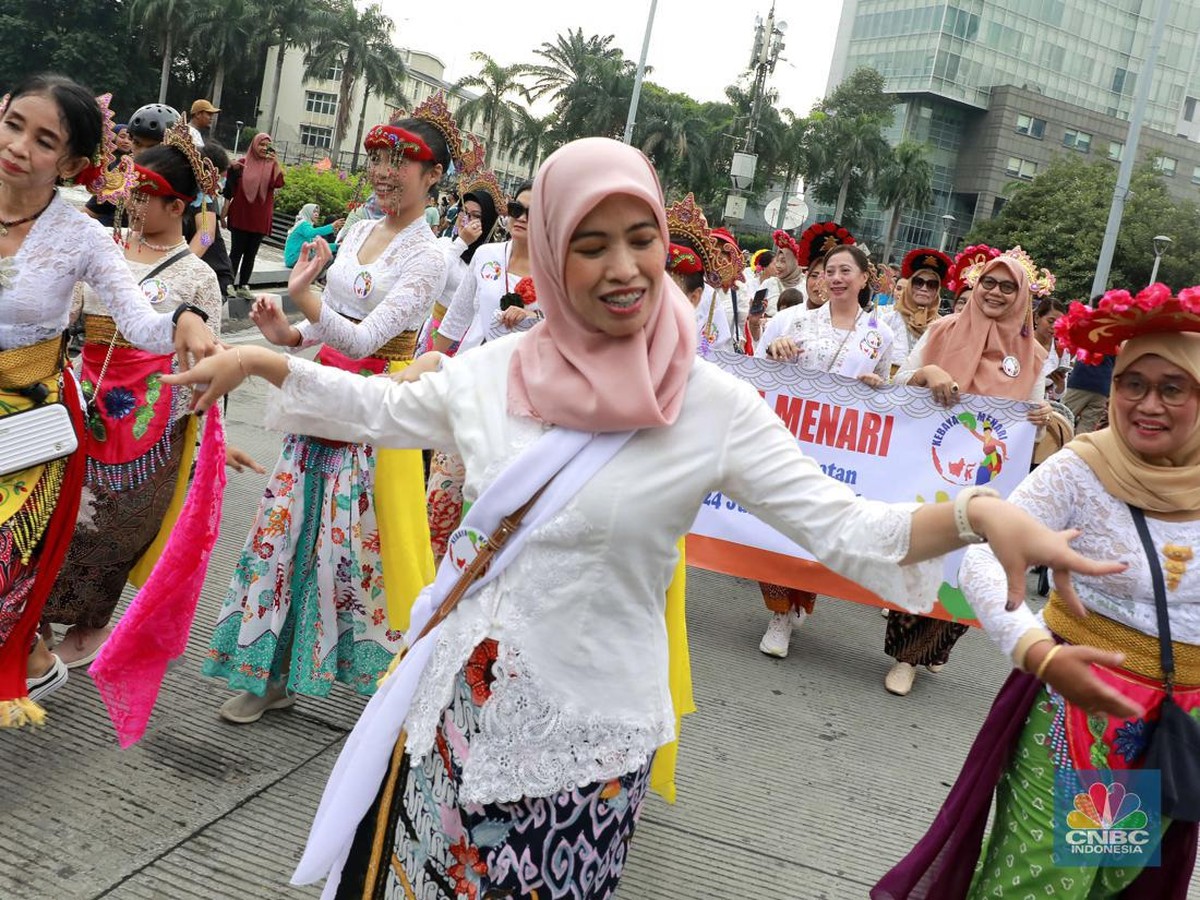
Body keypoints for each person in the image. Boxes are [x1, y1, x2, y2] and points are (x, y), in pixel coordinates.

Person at [166, 136, 1118, 900]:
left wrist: (980, 512)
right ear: (548, 254)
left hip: (585, 749)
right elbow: (378, 412)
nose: (624, 269)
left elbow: (848, 529)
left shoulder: (714, 405)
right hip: (450, 716)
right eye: (591, 243)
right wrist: (256, 362)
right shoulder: (500, 371)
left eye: (642, 239)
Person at [875, 284, 1200, 898]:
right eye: (1133, 384)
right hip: (1078, 710)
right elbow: (983, 558)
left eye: (1173, 388)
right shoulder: (1085, 468)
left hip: (1172, 727)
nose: (1148, 404)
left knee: (1108, 879)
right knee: (1046, 882)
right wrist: (1033, 646)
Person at [200, 114, 450, 725]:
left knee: (346, 549)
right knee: (284, 532)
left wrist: (305, 297)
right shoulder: (361, 225)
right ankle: (270, 674)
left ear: (434, 174)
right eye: (379, 158)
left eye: (401, 162)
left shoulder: (432, 255)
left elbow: (367, 341)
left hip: (372, 411)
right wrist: (291, 331)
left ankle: (382, 685)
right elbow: (329, 322)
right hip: (316, 399)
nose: (384, 173)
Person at [0, 74, 215, 724]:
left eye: (44, 141)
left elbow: (140, 323)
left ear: (71, 163)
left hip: (29, 425)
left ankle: (29, 654)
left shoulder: (83, 238)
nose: (18, 148)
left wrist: (182, 317)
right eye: (14, 125)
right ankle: (33, 654)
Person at [43, 122, 224, 666]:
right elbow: (65, 310)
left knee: (117, 527)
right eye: (132, 190)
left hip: (152, 415)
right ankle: (35, 616)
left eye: (146, 194)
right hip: (83, 392)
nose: (134, 202)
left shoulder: (198, 278)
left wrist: (213, 439)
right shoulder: (103, 247)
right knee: (57, 512)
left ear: (178, 207)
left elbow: (208, 366)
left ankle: (92, 616)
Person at [883, 249, 1057, 696]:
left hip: (989, 482)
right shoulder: (942, 331)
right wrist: (929, 372)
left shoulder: (1034, 356)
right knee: (924, 556)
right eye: (989, 283)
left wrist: (1040, 416)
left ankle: (929, 651)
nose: (996, 292)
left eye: (1008, 286)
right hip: (930, 470)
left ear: (1022, 297)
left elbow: (1032, 433)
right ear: (975, 286)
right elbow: (899, 386)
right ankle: (906, 656)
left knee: (968, 566)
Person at [756, 243, 896, 656]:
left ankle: (800, 601)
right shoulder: (794, 321)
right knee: (780, 522)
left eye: (844, 271)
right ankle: (780, 612)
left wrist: (878, 386)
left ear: (864, 277)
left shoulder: (879, 335)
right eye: (827, 271)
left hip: (843, 449)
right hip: (791, 438)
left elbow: (886, 390)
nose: (834, 278)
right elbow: (763, 365)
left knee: (820, 531)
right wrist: (774, 350)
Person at [434, 181, 536, 353]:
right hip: (468, 364)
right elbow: (457, 316)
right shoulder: (486, 254)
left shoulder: (557, 273)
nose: (521, 218)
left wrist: (536, 320)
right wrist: (429, 363)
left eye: (533, 213)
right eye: (516, 209)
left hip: (515, 372)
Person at [224, 132, 284, 301]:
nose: (264, 148)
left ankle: (244, 285)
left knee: (251, 254)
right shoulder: (242, 164)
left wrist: (276, 163)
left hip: (260, 218)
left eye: (267, 145)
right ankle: (228, 283)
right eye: (261, 144)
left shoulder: (271, 166)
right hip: (242, 215)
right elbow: (229, 189)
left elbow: (278, 183)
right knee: (236, 252)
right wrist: (223, 214)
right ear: (254, 145)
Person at [878, 247, 952, 372]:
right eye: (918, 282)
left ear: (937, 291)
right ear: (910, 286)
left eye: (931, 284)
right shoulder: (886, 319)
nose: (924, 288)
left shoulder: (944, 327)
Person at [182, 141, 234, 299]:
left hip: (211, 277)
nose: (220, 184)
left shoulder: (203, 198)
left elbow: (206, 235)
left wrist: (180, 266)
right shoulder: (180, 193)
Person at [283, 203, 343, 268]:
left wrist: (336, 246)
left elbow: (316, 246)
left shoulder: (307, 226)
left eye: (318, 212)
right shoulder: (303, 224)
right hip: (294, 258)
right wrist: (331, 226)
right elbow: (312, 233)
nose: (317, 214)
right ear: (307, 212)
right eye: (314, 212)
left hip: (298, 258)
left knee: (328, 258)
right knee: (327, 258)